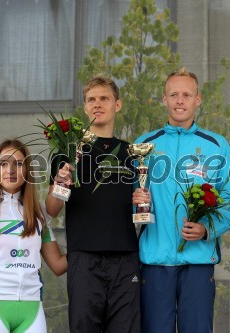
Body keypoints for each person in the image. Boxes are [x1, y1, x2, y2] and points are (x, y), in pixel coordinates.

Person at [132, 68, 230, 333]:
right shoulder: (143, 144)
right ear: (164, 99)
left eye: (187, 95)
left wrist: (207, 230)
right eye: (174, 94)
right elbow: (130, 198)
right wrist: (135, 201)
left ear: (197, 100)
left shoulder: (217, 145)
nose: (180, 100)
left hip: (198, 263)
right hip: (155, 262)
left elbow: (229, 200)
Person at [46, 76, 140, 332]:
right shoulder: (67, 151)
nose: (97, 104)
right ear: (85, 107)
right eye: (91, 100)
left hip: (126, 258)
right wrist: (60, 183)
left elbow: (143, 204)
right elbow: (52, 209)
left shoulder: (131, 153)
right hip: (84, 260)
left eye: (104, 98)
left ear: (117, 105)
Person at [0, 139, 67, 333]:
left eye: (18, 163)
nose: (11, 170)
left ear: (27, 170)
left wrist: (91, 245)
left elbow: (58, 265)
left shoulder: (39, 213)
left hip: (32, 308)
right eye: (4, 163)